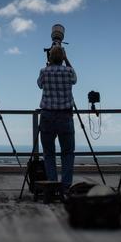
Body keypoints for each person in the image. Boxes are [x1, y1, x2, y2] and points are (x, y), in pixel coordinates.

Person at [37, 45, 77, 194]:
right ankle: (65, 188)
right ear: (63, 57)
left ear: (49, 58)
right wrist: (66, 59)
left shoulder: (44, 72)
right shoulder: (68, 72)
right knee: (67, 152)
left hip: (47, 115)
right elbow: (75, 79)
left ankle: (52, 186)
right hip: (65, 116)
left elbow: (39, 84)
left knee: (48, 153)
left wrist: (48, 65)